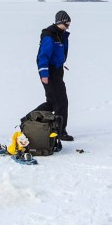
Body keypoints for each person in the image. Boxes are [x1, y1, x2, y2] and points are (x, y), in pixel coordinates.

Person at [36, 10, 73, 141]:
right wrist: (44, 74)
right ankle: (60, 131)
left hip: (57, 71)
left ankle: (30, 119)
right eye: (66, 24)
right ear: (59, 22)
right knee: (61, 102)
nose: (68, 27)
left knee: (52, 102)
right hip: (50, 73)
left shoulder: (60, 35)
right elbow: (42, 56)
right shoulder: (49, 36)